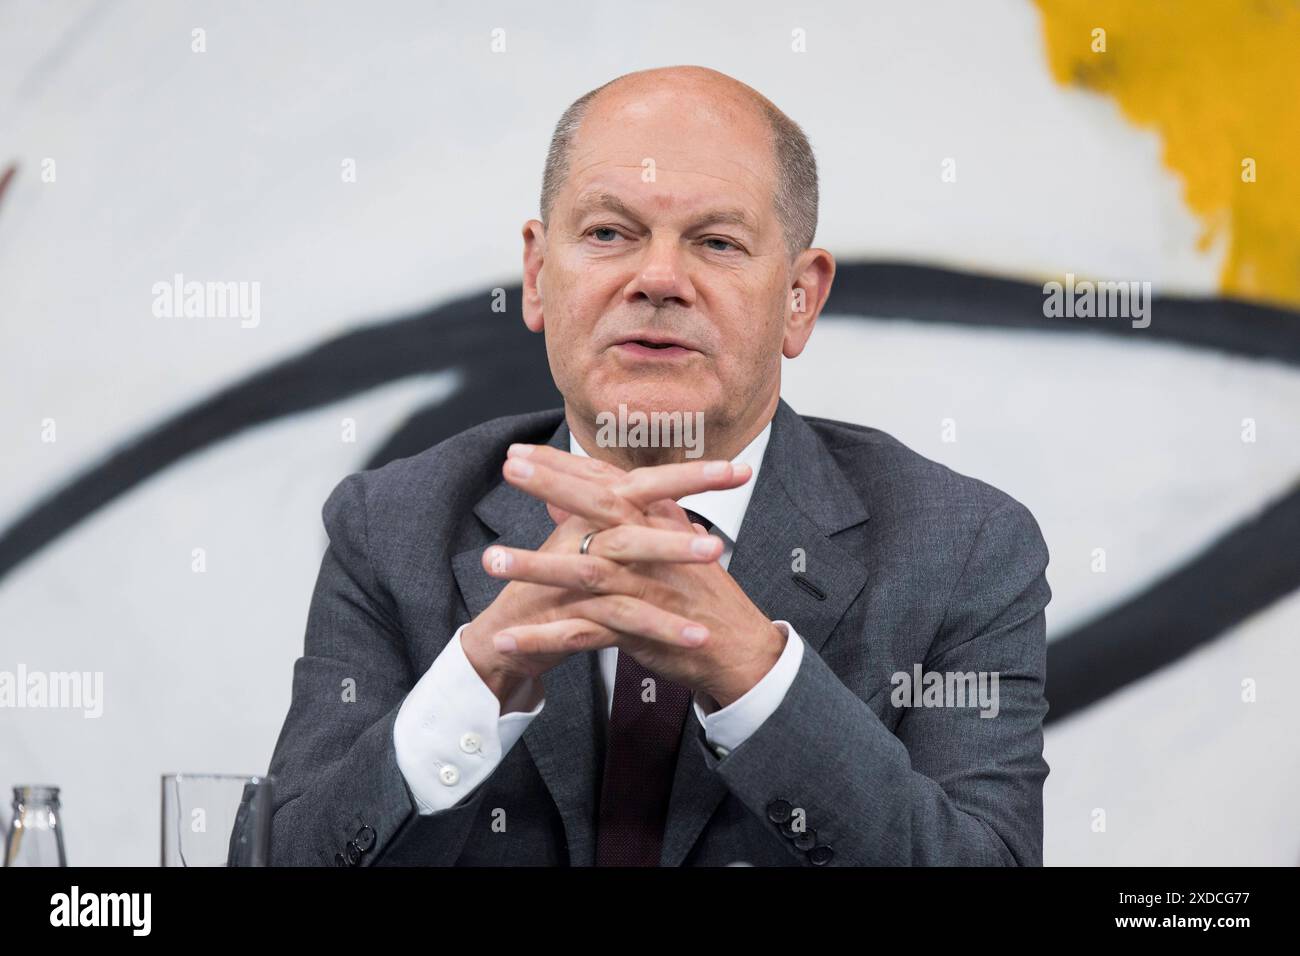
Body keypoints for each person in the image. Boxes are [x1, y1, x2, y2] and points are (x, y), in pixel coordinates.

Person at [266, 65, 1051, 867]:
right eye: (609, 233)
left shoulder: (964, 550)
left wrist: (751, 670)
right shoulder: (391, 526)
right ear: (537, 276)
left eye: (717, 243)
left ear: (800, 299)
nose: (660, 280)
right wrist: (481, 672)